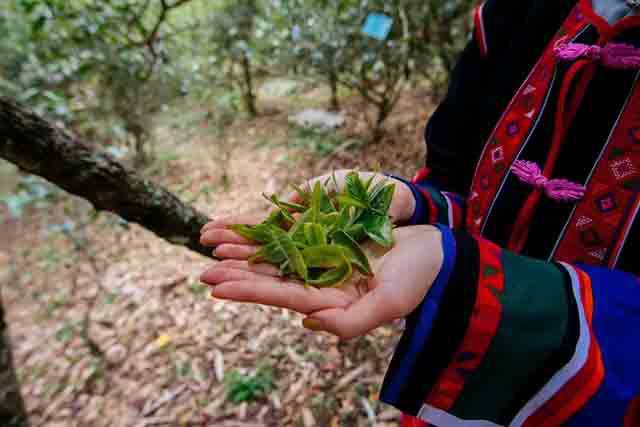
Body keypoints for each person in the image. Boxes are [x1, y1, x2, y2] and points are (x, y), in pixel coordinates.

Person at [199, 0, 640, 425]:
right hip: (454, 394)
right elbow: (458, 179)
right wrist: (413, 207)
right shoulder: (515, 13)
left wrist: (467, 280)